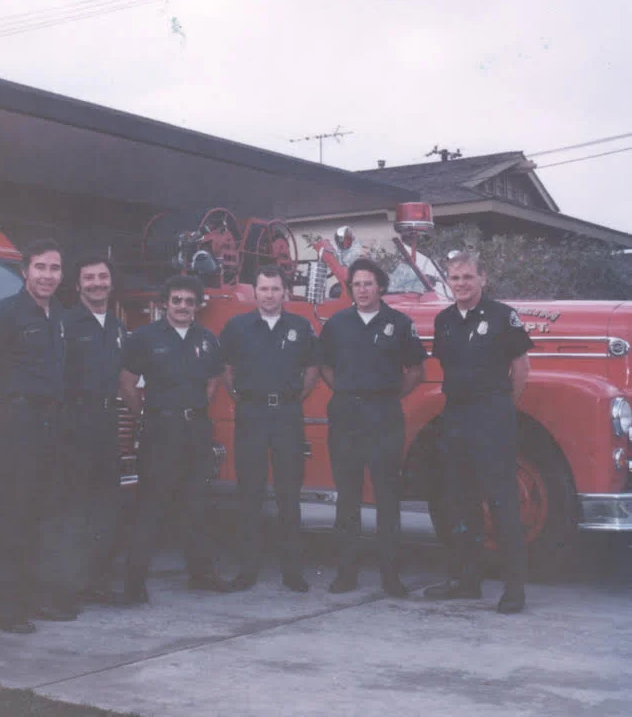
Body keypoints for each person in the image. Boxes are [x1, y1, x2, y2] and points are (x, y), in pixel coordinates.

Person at [0, 239, 69, 634]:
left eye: (55, 268)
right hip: (18, 422)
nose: (48, 275)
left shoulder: (60, 315)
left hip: (51, 424)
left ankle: (31, 600)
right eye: (41, 267)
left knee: (41, 515)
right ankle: (4, 608)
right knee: (13, 514)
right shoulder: (4, 313)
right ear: (25, 271)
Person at [425, 251, 533, 614]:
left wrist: (501, 407)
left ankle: (514, 589)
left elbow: (520, 368)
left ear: (482, 279)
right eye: (454, 279)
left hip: (492, 415)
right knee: (460, 501)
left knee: (501, 502)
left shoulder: (504, 317)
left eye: (468, 277)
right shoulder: (443, 321)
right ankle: (467, 581)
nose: (461, 284)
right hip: (456, 416)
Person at [119, 275, 231, 602]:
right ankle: (135, 582)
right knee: (150, 505)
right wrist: (149, 414)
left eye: (189, 301)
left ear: (198, 306)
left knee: (197, 504)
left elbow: (212, 382)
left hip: (195, 430)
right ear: (165, 303)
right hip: (160, 430)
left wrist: (190, 411)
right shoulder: (145, 337)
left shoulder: (208, 339)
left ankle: (202, 574)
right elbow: (127, 383)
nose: (183, 306)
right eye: (177, 300)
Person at [320, 258, 427, 597]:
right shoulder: (336, 324)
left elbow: (415, 370)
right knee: (347, 497)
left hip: (384, 416)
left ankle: (390, 576)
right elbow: (324, 366)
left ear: (381, 287)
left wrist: (388, 396)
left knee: (387, 497)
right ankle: (345, 573)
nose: (362, 290)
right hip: (347, 416)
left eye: (368, 284)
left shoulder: (399, 323)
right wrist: (350, 391)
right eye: (356, 284)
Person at [219, 265, 321, 592]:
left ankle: (293, 571)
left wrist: (290, 398)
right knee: (249, 493)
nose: (269, 295)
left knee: (289, 495)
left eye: (275, 289)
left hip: (287, 416)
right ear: (255, 292)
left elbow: (312, 369)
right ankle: (247, 569)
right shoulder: (237, 327)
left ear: (285, 292)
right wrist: (245, 397)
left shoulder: (300, 326)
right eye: (263, 289)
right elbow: (226, 368)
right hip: (252, 414)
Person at [62, 254, 128, 606]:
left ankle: (97, 580)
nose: (97, 283)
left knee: (106, 505)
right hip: (75, 424)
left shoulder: (117, 327)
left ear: (111, 283)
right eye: (89, 278)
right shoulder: (65, 323)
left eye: (103, 277)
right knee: (74, 507)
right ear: (78, 285)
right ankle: (69, 587)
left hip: (106, 423)